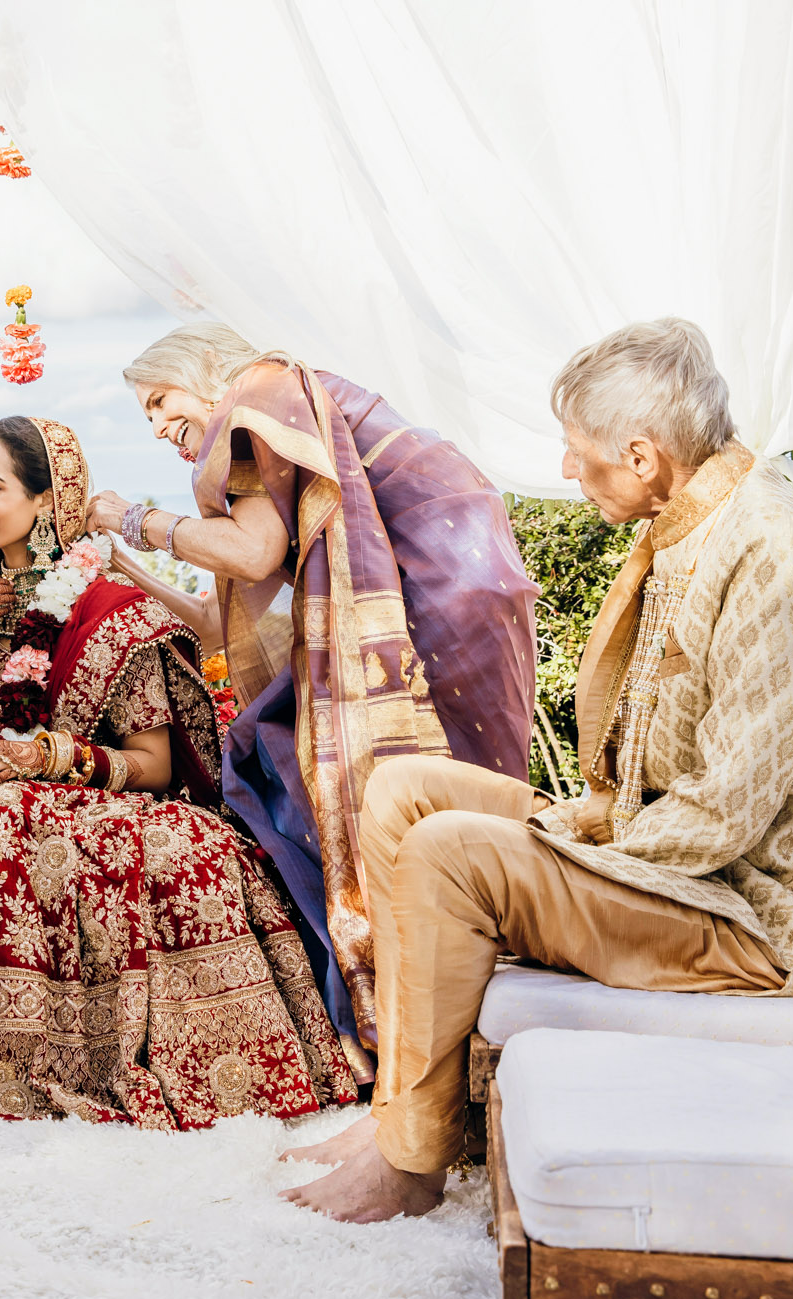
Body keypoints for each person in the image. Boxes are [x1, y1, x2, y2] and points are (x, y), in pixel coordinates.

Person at [280, 317, 793, 1222]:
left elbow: (726, 810)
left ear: (642, 455)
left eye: (577, 452)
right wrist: (579, 823)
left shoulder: (769, 548)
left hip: (756, 911)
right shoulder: (691, 525)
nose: (569, 471)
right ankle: (397, 1115)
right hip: (683, 858)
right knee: (403, 790)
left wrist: (569, 831)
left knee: (453, 852)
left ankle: (411, 1163)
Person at [0, 416, 359, 1131]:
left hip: (92, 803)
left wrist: (49, 755)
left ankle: (33, 1065)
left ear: (45, 501)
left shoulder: (110, 610)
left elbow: (157, 765)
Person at [88, 324, 539, 1077]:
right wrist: (127, 566)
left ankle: (420, 1038)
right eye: (147, 418)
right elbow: (218, 615)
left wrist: (134, 518)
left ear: (205, 373)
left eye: (161, 401)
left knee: (429, 812)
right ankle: (390, 1029)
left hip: (440, 589)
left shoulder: (259, 394)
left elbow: (253, 553)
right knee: (268, 746)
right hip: (459, 578)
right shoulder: (269, 439)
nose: (162, 426)